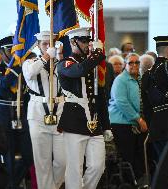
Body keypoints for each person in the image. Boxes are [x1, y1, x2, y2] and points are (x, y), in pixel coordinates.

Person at [57, 27, 110, 189]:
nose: (88, 45)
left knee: (98, 166)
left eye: (89, 41)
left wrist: (106, 126)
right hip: (74, 120)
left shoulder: (92, 65)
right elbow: (78, 71)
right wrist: (97, 54)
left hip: (94, 122)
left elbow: (100, 98)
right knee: (74, 169)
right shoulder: (64, 63)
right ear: (73, 42)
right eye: (84, 41)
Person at [0, 36, 33, 189]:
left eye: (17, 51)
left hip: (22, 115)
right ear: (3, 52)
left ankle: (12, 183)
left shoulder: (24, 68)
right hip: (3, 117)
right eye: (11, 50)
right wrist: (17, 68)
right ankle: (10, 185)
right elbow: (2, 85)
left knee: (28, 155)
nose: (15, 54)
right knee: (9, 157)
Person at [22, 31, 66, 189]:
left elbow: (69, 80)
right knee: (42, 161)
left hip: (60, 114)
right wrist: (47, 56)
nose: (48, 47)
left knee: (63, 160)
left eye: (50, 44)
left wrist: (59, 57)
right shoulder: (30, 62)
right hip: (38, 115)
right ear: (38, 46)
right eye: (44, 44)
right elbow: (30, 73)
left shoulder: (61, 62)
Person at [109, 53, 148, 182]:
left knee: (137, 155)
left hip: (134, 123)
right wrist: (139, 119)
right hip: (121, 123)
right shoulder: (121, 80)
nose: (134, 65)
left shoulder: (139, 79)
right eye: (130, 62)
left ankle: (136, 181)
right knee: (128, 156)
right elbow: (122, 103)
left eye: (137, 62)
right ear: (125, 65)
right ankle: (129, 183)